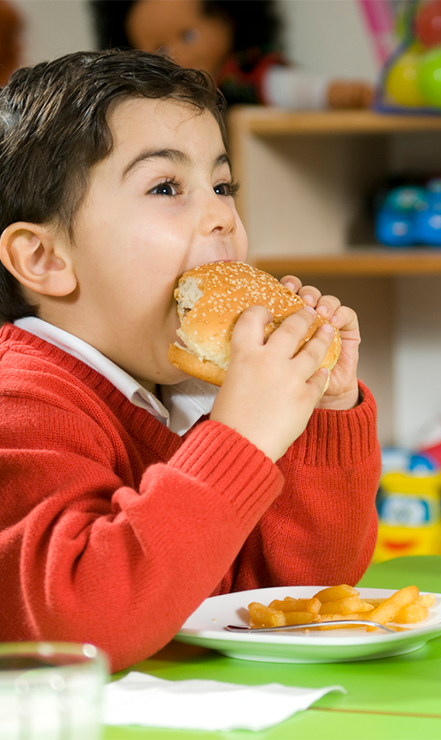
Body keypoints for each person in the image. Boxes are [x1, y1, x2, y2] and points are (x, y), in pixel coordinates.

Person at [0, 49, 380, 672]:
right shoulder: (21, 401)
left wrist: (321, 412)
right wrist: (240, 439)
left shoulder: (183, 393)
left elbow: (305, 593)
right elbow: (81, 626)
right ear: (44, 259)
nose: (222, 217)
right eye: (166, 187)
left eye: (223, 186)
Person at [89, 0, 375, 109]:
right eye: (159, 49)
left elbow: (286, 87)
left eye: (189, 36)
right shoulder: (150, 97)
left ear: (227, 19)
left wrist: (332, 93)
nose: (176, 53)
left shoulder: (244, 75)